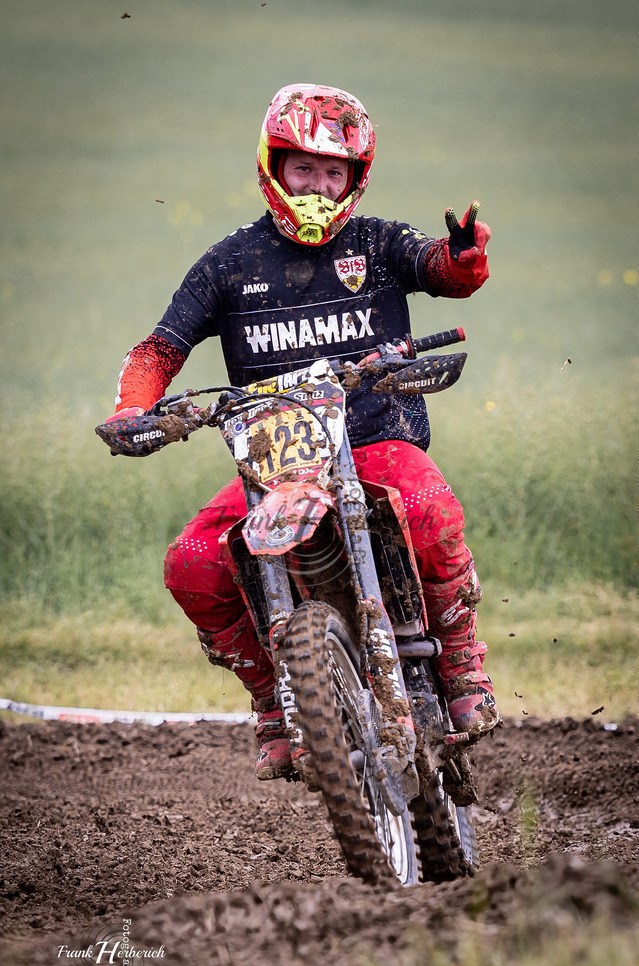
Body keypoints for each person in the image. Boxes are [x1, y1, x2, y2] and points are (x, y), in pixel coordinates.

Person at [104, 83, 500, 781]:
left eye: (332, 172)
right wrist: (134, 408)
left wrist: (462, 258)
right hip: (272, 471)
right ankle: (277, 703)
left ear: (355, 178)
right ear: (272, 168)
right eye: (303, 169)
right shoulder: (227, 263)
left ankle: (463, 672)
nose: (317, 184)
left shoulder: (377, 243)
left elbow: (440, 269)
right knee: (192, 562)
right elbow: (158, 349)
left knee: (430, 508)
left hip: (377, 442)